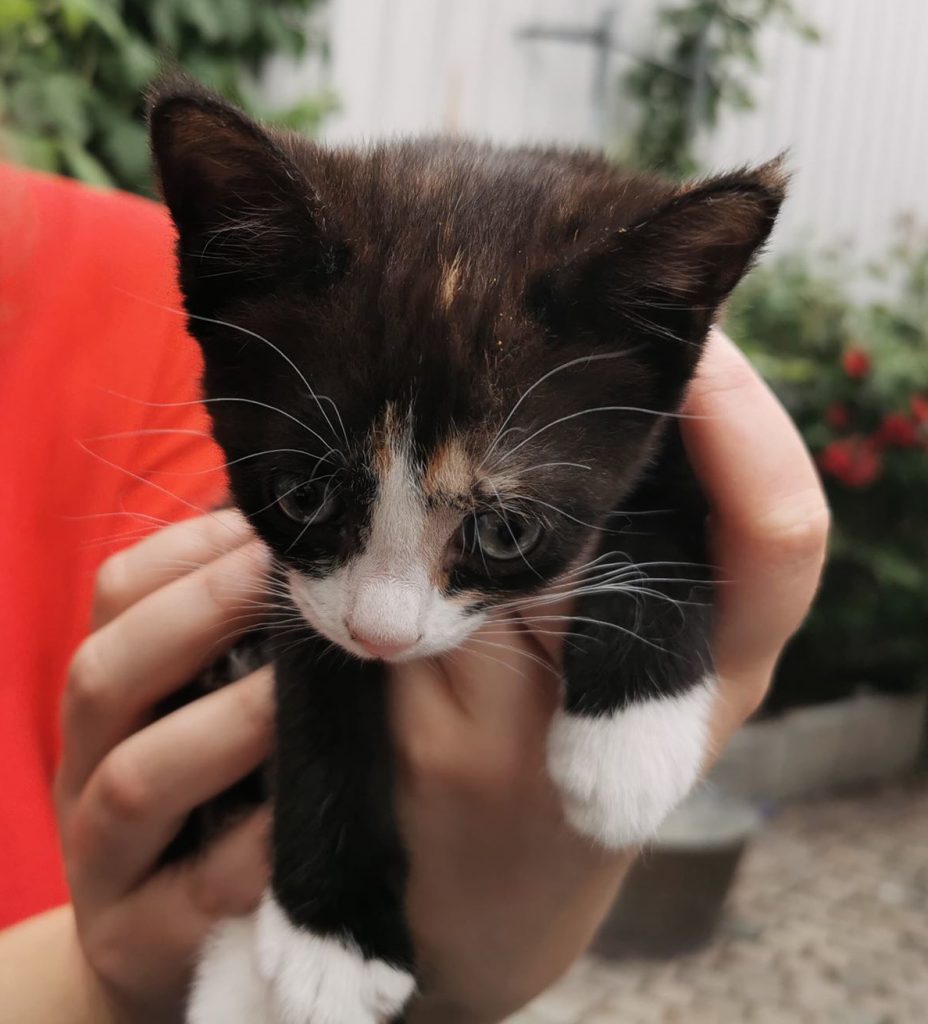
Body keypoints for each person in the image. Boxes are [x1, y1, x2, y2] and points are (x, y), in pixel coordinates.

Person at [0, 161, 830, 1024]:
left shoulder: (110, 268)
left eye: (498, 531)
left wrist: (648, 651)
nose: (382, 623)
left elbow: (661, 478)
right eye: (309, 499)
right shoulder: (226, 329)